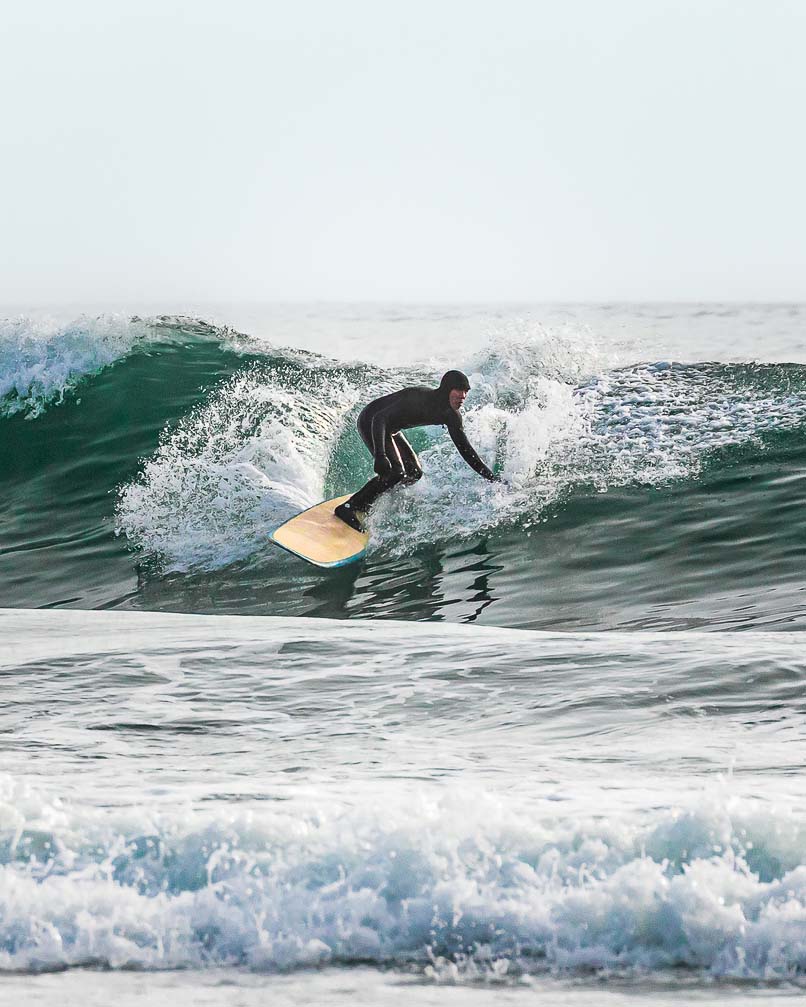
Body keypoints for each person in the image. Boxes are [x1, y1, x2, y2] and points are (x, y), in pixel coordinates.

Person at [335, 369, 498, 531]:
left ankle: (371, 497)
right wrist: (380, 455)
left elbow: (466, 450)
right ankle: (349, 507)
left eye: (466, 392)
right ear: (447, 389)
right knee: (396, 472)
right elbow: (380, 418)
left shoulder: (451, 416)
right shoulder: (419, 398)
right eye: (459, 390)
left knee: (414, 473)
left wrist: (491, 478)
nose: (463, 396)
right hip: (371, 420)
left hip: (391, 429)